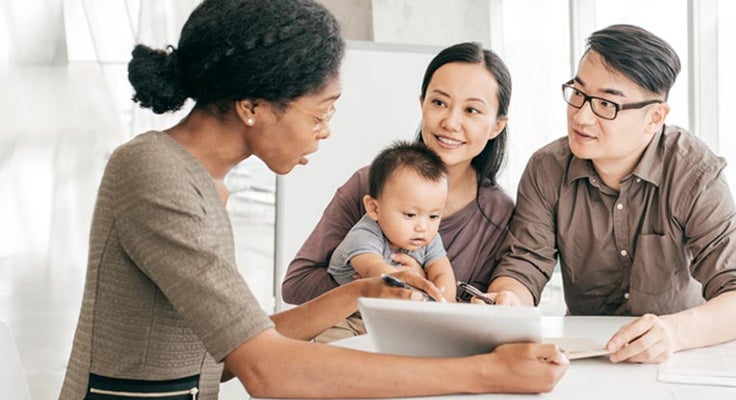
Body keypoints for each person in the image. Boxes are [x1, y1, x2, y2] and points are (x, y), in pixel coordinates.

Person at [59, 1, 566, 399]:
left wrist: (359, 292)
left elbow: (241, 342)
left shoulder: (201, 181)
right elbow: (265, 369)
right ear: (253, 106)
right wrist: (484, 373)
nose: (325, 133)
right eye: (320, 113)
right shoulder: (155, 173)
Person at [485, 24, 736, 364]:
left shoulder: (693, 171)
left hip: (679, 357)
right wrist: (507, 300)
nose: (581, 115)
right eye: (578, 93)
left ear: (655, 117)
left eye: (606, 104)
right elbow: (523, 266)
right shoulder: (547, 169)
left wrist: (672, 333)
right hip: (587, 360)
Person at [283, 42, 514, 308]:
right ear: (422, 104)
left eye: (471, 110)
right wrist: (379, 288)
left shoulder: (499, 214)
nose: (450, 123)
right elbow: (296, 285)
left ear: (497, 125)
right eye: (439, 102)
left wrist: (423, 283)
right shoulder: (368, 184)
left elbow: (481, 313)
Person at [327, 141, 456, 302]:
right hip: (350, 317)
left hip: (394, 315)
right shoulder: (364, 235)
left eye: (434, 216)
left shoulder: (430, 238)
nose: (423, 227)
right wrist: (417, 287)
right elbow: (375, 270)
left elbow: (443, 273)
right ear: (374, 208)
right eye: (410, 215)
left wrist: (442, 297)